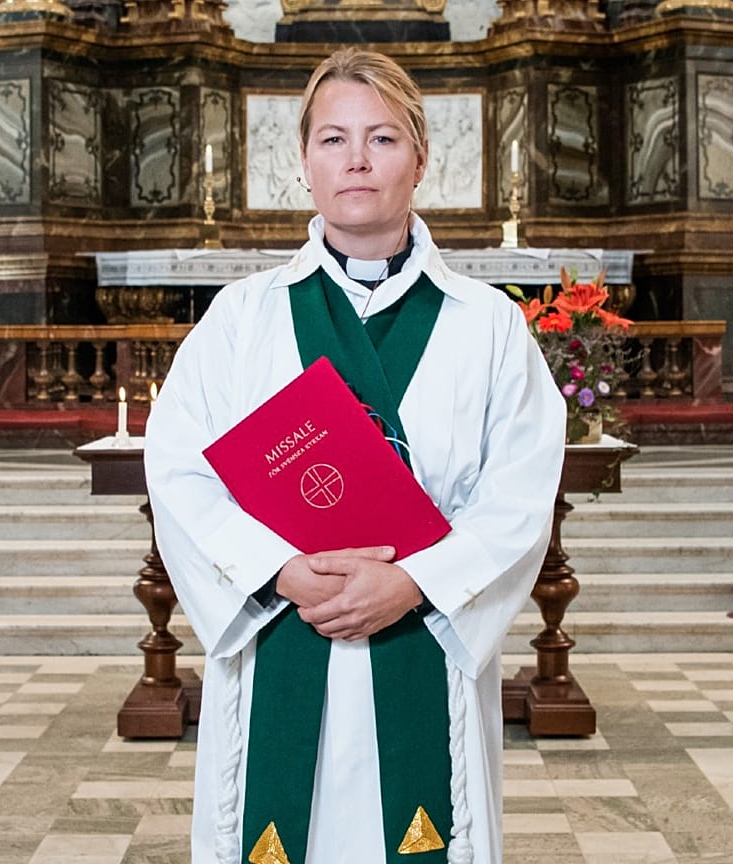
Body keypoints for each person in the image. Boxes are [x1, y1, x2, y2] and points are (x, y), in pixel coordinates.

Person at [144, 47, 564, 864]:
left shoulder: (487, 325)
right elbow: (182, 471)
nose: (357, 160)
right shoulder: (242, 320)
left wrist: (414, 582)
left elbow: (518, 494)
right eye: (333, 139)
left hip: (424, 645)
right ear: (302, 162)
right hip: (283, 636)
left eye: (382, 138)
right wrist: (277, 569)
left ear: (420, 158)